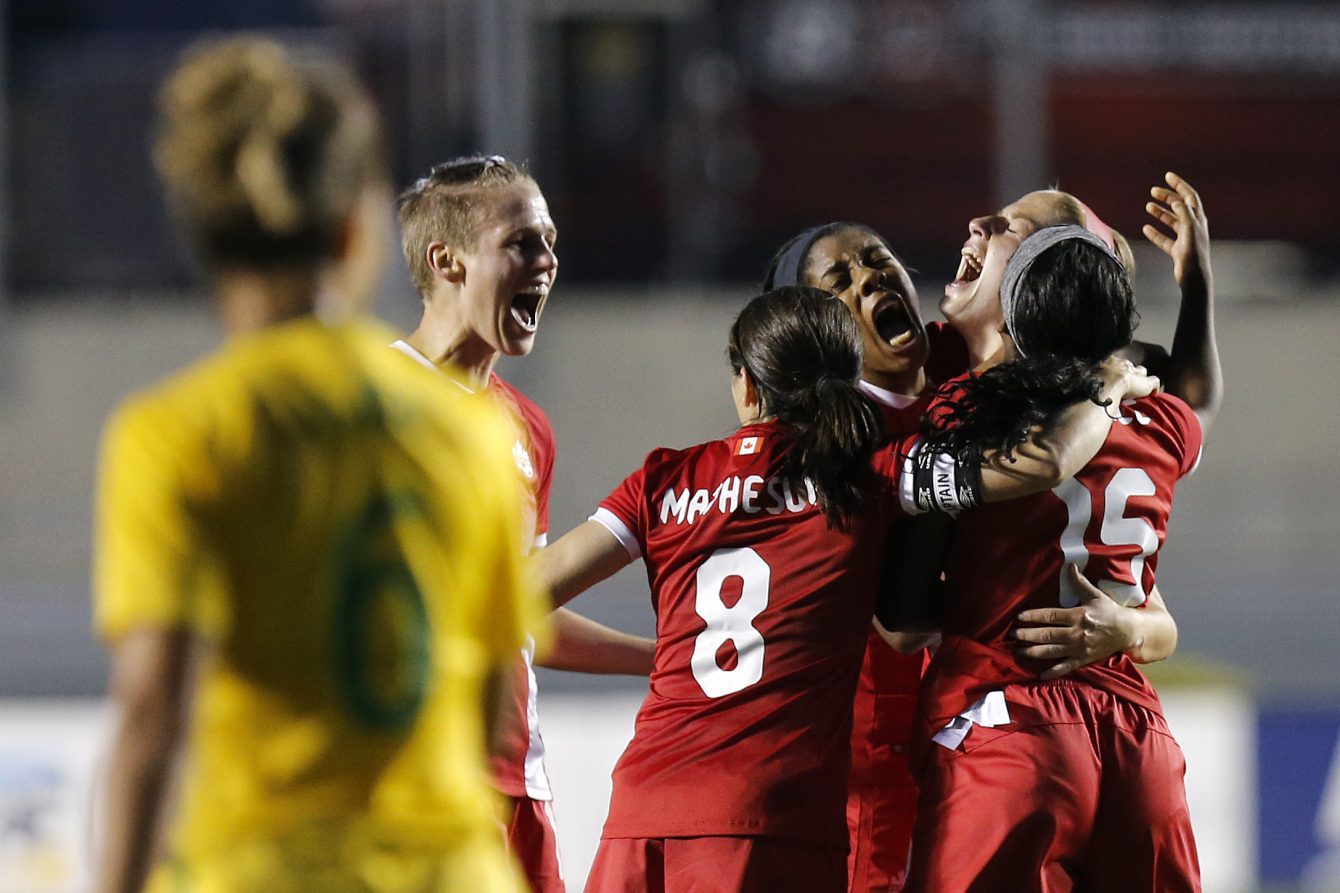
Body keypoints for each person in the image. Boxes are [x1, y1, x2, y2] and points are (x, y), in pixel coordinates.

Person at [92, 38, 542, 893]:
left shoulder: (179, 433)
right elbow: (489, 707)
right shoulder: (472, 432)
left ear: (205, 241)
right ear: (353, 229)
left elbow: (153, 715)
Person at [540, 286, 1156, 893]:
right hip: (772, 821)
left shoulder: (663, 480)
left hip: (642, 810)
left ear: (747, 385)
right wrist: (1105, 390)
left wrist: (655, 658)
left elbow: (518, 593)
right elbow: (1041, 465)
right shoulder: (868, 476)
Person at [762, 220, 1170, 893]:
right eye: (840, 281)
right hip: (869, 771)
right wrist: (1101, 389)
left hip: (981, 746)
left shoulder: (971, 387)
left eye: (877, 257)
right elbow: (904, 621)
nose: (870, 277)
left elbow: (1151, 612)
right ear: (811, 331)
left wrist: (1130, 626)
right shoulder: (841, 451)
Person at [902, 226, 1205, 892]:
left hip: (1010, 719)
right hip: (1138, 737)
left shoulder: (967, 406)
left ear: (1018, 312)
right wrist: (1197, 289)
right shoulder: (1168, 422)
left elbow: (904, 616)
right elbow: (1198, 401)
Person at [394, 156, 655, 893]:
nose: (547, 262)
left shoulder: (526, 427)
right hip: (419, 783)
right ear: (447, 260)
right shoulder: (376, 408)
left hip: (518, 779)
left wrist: (664, 658)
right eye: (521, 243)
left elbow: (523, 612)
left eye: (550, 243)